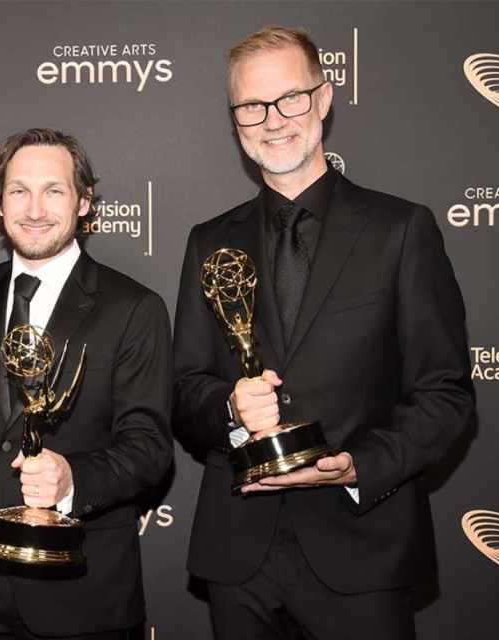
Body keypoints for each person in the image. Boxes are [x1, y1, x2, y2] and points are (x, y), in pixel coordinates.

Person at [173, 27, 474, 640]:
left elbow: (444, 395)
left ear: (325, 97)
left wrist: (355, 466)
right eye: (251, 106)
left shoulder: (401, 229)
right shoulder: (210, 241)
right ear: (234, 118)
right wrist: (229, 409)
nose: (272, 120)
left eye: (291, 98)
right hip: (239, 554)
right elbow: (184, 390)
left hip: (362, 549)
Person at [0, 128, 173, 639]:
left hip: (80, 587)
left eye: (54, 190)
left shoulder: (135, 308)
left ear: (85, 202)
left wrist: (73, 480)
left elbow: (150, 449)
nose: (35, 208)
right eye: (19, 190)